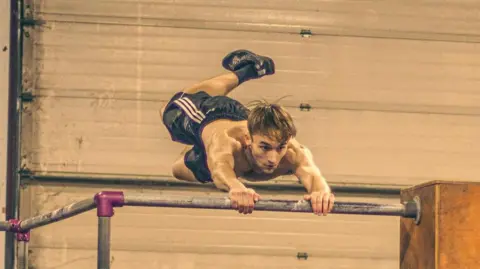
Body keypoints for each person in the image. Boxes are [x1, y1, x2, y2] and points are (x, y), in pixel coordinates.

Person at [160, 49, 335, 216]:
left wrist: (321, 192)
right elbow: (220, 169)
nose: (273, 159)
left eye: (279, 148)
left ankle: (202, 146)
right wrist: (235, 186)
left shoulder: (292, 152)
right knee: (169, 110)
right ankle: (246, 70)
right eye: (265, 148)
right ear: (247, 139)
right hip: (206, 115)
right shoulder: (228, 141)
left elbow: (313, 176)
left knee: (178, 169)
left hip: (241, 122)